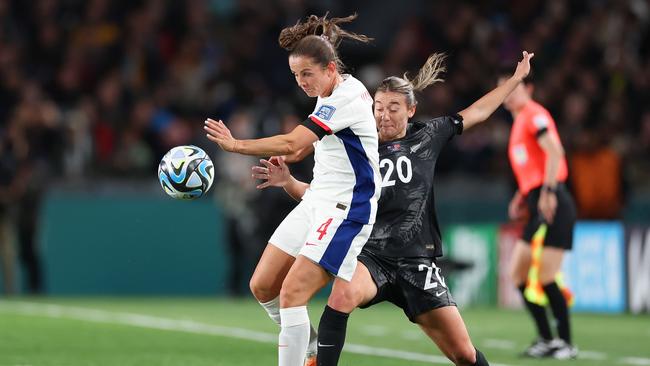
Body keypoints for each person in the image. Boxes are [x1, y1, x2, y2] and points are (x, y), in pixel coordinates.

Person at [253, 51, 534, 366]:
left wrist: (514, 80)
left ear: (411, 110)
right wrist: (289, 182)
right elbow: (324, 197)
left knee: (465, 355)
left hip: (416, 260)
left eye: (393, 108)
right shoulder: (358, 141)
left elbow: (478, 111)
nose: (383, 116)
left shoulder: (429, 135)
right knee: (340, 297)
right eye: (378, 107)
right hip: (371, 256)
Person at [204, 14, 381, 366]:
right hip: (318, 200)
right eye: (295, 76)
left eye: (306, 74)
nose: (300, 82)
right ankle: (310, 349)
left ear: (330, 68)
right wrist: (288, 175)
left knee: (292, 293)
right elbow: (303, 147)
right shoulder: (330, 91)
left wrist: (237, 145)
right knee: (263, 286)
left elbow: (291, 140)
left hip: (346, 209)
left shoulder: (343, 98)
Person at [501, 72, 578, 359]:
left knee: (546, 276)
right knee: (518, 273)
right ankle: (547, 339)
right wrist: (522, 194)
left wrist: (547, 191)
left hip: (553, 202)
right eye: (504, 89)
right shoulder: (520, 122)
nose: (508, 94)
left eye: (513, 88)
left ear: (529, 88)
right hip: (537, 202)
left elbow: (555, 152)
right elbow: (533, 165)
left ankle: (566, 343)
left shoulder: (534, 115)